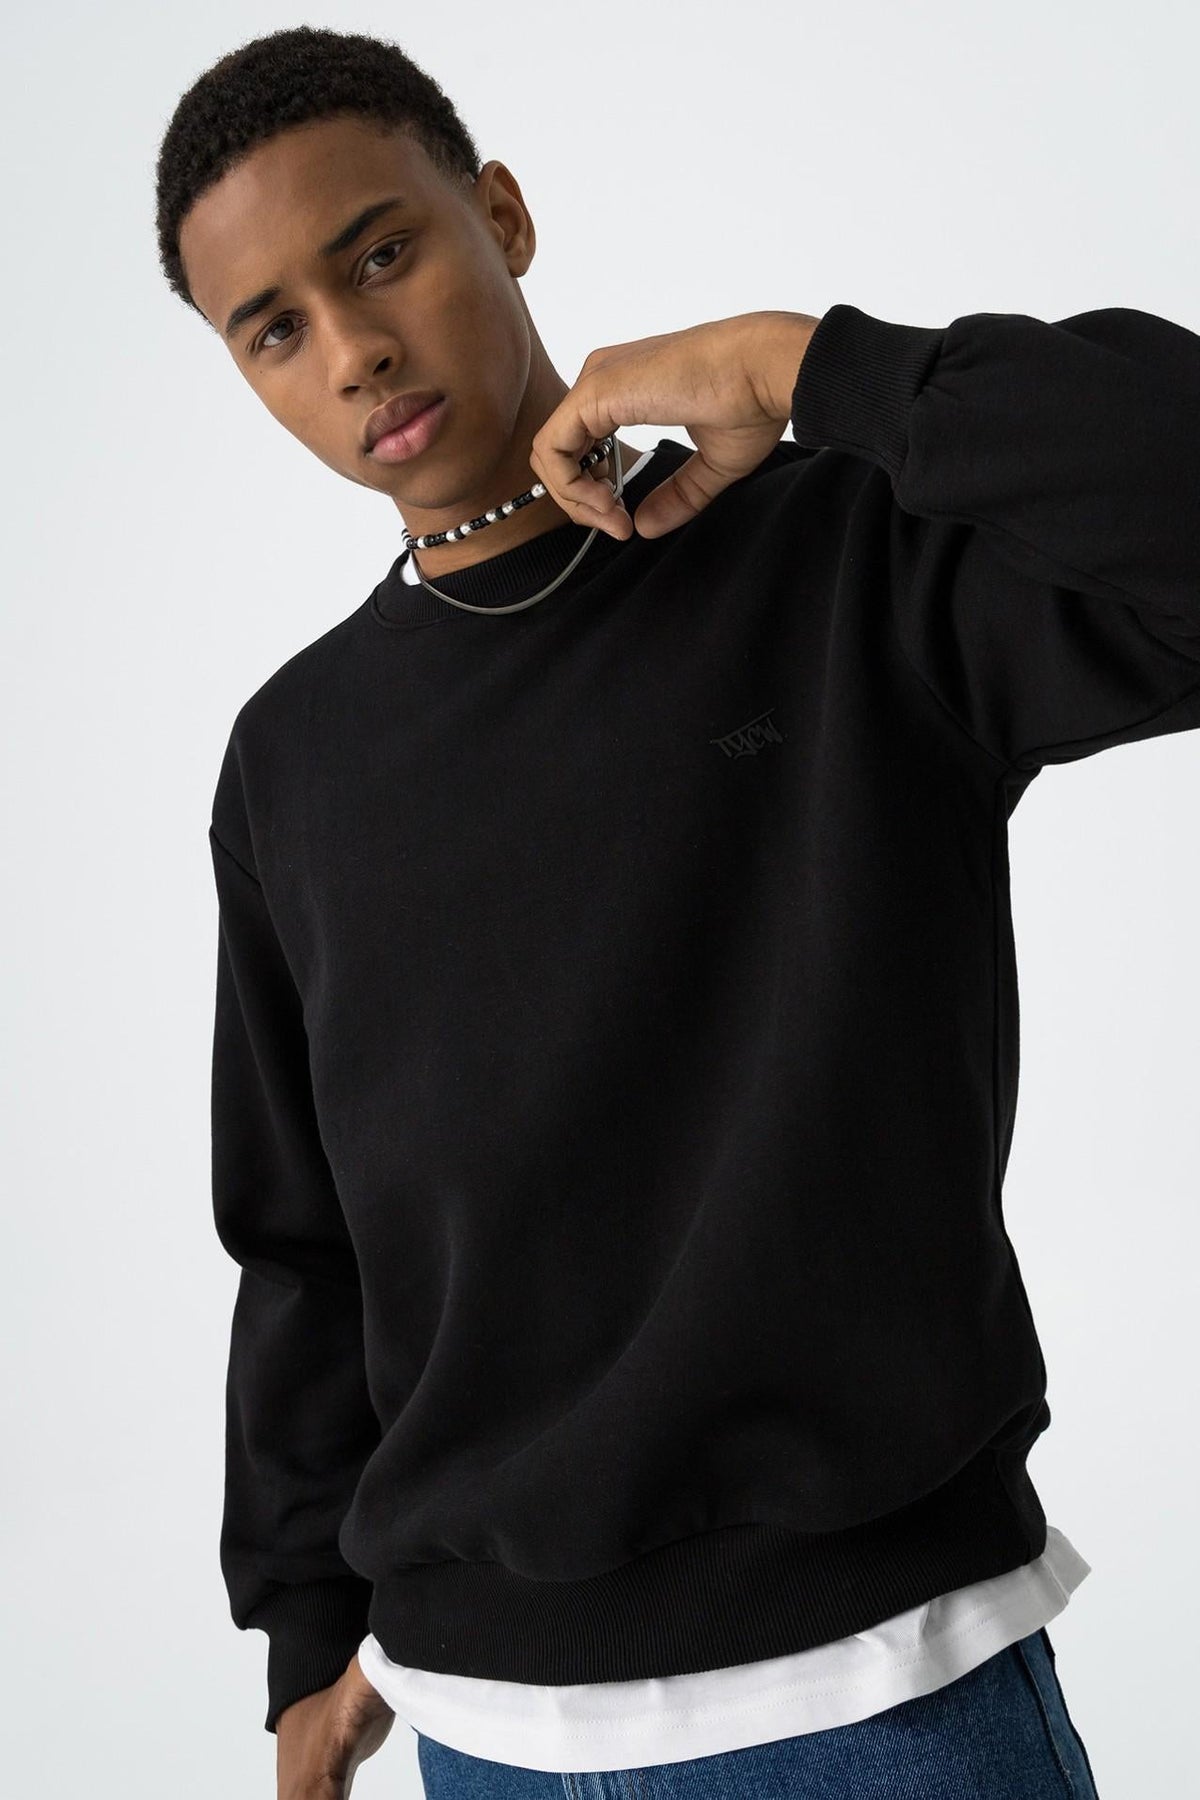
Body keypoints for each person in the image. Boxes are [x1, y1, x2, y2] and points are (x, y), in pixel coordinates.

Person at [158, 23, 1197, 1799]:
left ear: (501, 215)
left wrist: (811, 366)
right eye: (274, 330)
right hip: (481, 1725)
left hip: (877, 1697)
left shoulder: (844, 559)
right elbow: (304, 1234)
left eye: (381, 254)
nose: (353, 351)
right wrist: (306, 1620)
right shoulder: (293, 758)